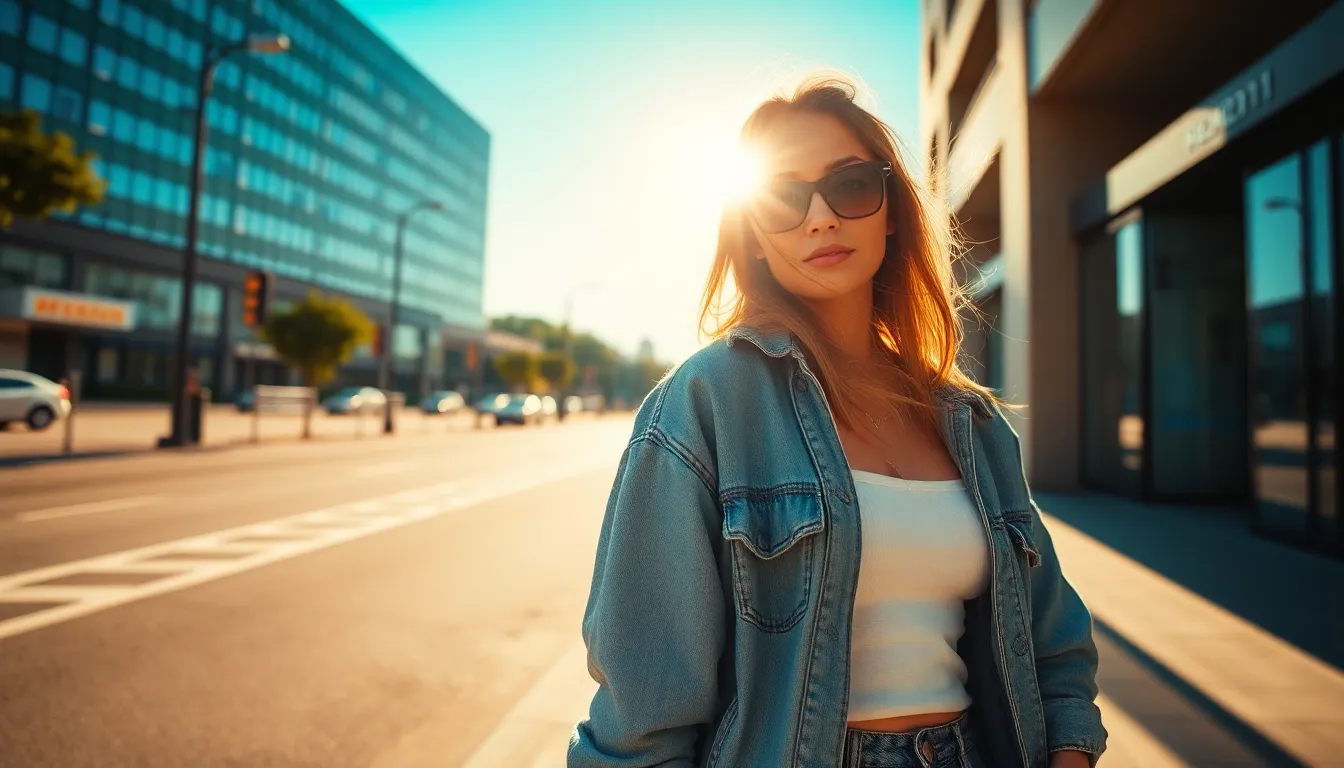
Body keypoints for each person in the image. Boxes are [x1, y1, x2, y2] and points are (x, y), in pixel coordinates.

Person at [569, 75, 1105, 768]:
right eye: (784, 198)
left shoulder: (970, 423)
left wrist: (1070, 755)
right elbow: (641, 714)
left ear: (890, 212)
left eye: (850, 186)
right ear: (754, 238)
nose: (820, 217)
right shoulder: (703, 406)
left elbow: (1054, 643)